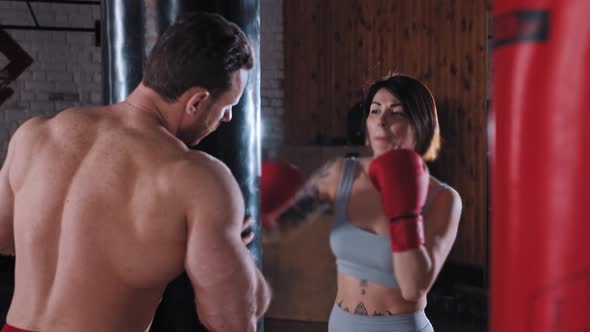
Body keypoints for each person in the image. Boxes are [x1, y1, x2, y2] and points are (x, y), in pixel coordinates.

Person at [0, 12, 270, 332]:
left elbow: (5, 238)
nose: (226, 118)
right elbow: (230, 319)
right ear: (196, 101)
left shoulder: (35, 134)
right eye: (228, 106)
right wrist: (235, 253)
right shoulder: (197, 176)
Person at [262, 74, 462, 332]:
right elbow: (279, 226)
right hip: (341, 325)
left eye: (396, 113)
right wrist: (246, 221)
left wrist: (404, 211)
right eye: (374, 111)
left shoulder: (443, 198)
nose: (381, 120)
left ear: (421, 124)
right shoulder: (339, 174)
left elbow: (413, 287)